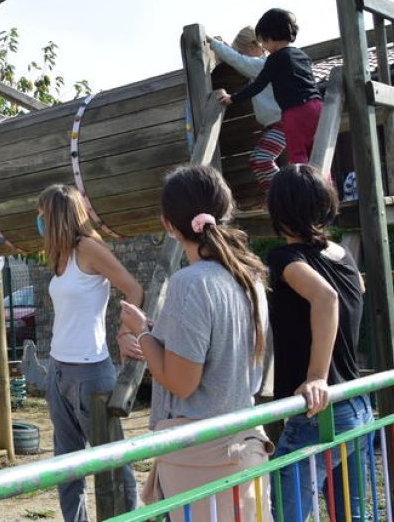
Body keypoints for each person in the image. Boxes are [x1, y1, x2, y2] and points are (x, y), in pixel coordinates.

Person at [119, 165, 272, 522]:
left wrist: (141, 330)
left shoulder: (190, 282)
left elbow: (181, 381)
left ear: (168, 225)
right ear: (226, 210)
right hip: (244, 442)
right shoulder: (250, 276)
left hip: (202, 456)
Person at [266, 164, 369, 522]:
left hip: (317, 410)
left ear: (278, 211)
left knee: (282, 507)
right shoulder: (344, 256)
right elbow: (354, 290)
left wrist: (317, 376)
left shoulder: (285, 259)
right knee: (351, 513)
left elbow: (326, 298)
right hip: (355, 402)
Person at [37, 184, 144, 522]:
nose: (38, 221)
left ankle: (130, 517)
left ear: (56, 215)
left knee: (112, 460)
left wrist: (126, 331)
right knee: (66, 465)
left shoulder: (88, 248)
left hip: (90, 372)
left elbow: (133, 288)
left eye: (41, 214)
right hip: (59, 369)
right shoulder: (60, 254)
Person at [216, 8, 322, 166]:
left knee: (298, 158)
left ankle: (300, 188)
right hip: (317, 107)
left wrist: (233, 98)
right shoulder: (301, 55)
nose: (264, 47)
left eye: (263, 41)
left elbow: (258, 85)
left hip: (294, 112)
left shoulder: (273, 60)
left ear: (269, 37)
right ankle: (326, 187)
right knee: (318, 156)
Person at [209, 26, 284, 192]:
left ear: (253, 47)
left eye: (243, 52)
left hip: (283, 123)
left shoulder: (262, 65)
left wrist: (213, 43)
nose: (242, 57)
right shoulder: (259, 69)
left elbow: (238, 61)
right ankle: (273, 195)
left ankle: (283, 193)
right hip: (275, 124)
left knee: (263, 158)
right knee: (256, 159)